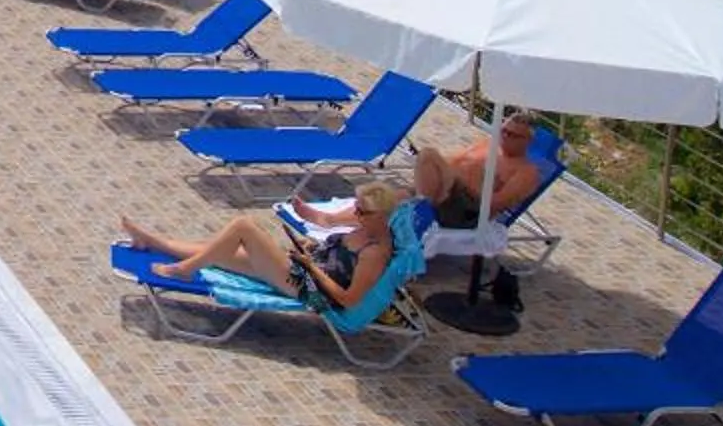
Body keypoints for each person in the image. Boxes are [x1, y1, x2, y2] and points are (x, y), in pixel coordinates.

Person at [120, 177, 417, 312]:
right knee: (221, 251)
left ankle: (184, 270)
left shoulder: (375, 253)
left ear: (381, 216)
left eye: (363, 212)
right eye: (357, 209)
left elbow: (348, 300)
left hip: (310, 290)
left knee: (244, 226)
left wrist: (312, 267)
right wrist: (310, 249)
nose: (356, 214)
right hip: (303, 270)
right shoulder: (364, 226)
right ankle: (152, 241)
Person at [418, 112, 545, 229]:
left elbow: (494, 205)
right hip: (447, 193)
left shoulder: (527, 172)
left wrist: (465, 183)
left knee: (428, 155)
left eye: (513, 135)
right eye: (504, 130)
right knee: (424, 162)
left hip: (467, 213)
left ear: (528, 140)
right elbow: (453, 162)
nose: (505, 136)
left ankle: (421, 207)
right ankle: (419, 207)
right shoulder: (488, 145)